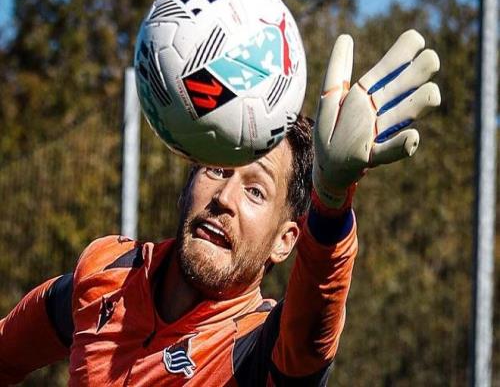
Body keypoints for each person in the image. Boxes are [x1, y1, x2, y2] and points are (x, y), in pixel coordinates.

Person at [0, 30, 440, 386]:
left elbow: (312, 329)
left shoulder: (257, 349)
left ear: (285, 241)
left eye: (256, 191)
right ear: (189, 181)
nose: (224, 199)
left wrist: (330, 201)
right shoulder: (105, 273)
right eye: (216, 168)